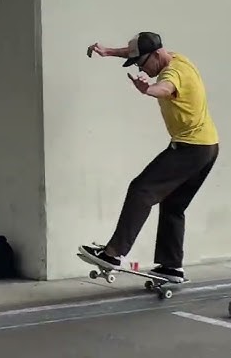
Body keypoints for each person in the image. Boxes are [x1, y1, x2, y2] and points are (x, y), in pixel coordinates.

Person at [78, 31, 219, 283]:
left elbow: (166, 88)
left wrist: (148, 89)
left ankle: (113, 254)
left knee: (142, 189)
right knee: (173, 205)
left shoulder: (172, 73)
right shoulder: (175, 56)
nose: (143, 68)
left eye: (143, 64)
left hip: (189, 149)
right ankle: (171, 266)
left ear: (156, 55)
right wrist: (109, 51)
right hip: (207, 148)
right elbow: (133, 52)